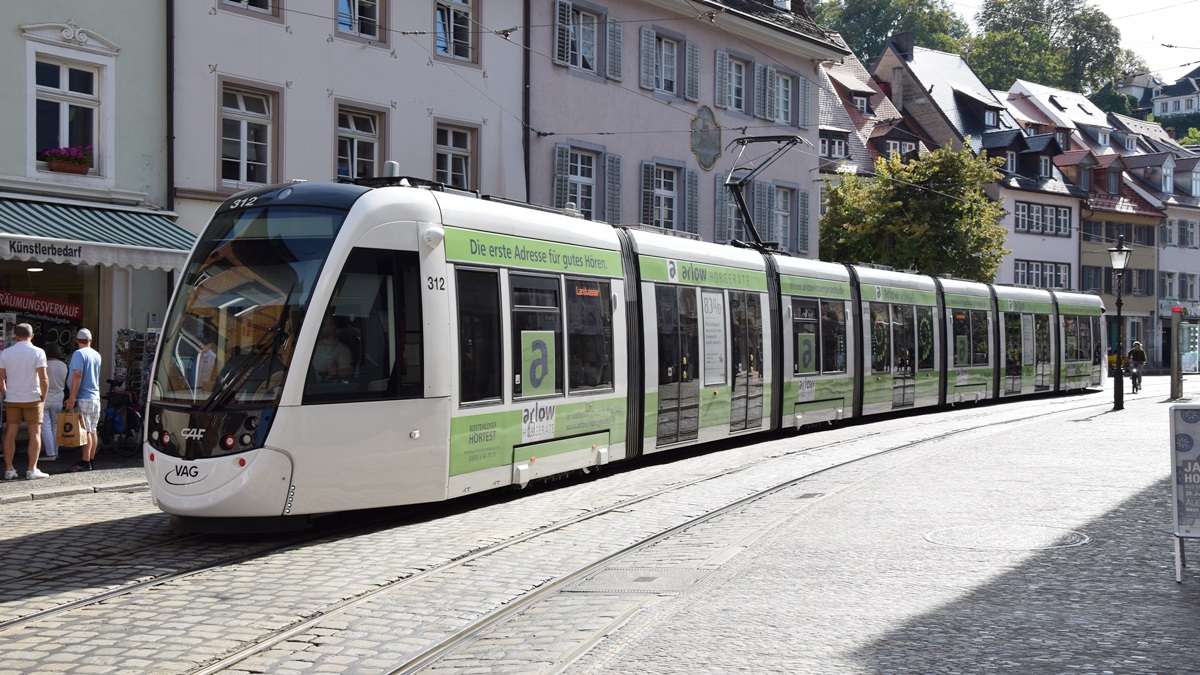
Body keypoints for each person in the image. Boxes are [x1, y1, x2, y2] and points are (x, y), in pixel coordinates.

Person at [0, 323, 49, 480]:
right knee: (35, 432)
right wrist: (44, 397)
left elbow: (1, 378)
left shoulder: (6, 353)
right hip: (33, 397)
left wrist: (6, 393)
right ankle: (32, 469)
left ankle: (9, 469)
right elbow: (44, 378)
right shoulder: (38, 352)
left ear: (16, 335)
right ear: (32, 335)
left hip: (13, 397)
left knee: (10, 432)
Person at [64, 328, 101, 472]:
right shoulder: (97, 355)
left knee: (85, 431)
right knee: (93, 430)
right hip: (95, 396)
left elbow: (77, 375)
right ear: (90, 340)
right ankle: (91, 460)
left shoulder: (78, 354)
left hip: (83, 396)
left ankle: (85, 461)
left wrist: (71, 397)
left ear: (77, 341)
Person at [39, 342, 69, 462]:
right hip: (58, 399)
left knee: (45, 426)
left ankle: (50, 453)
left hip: (45, 398)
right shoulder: (63, 365)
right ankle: (56, 452)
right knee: (55, 425)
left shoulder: (44, 364)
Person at [311, 315, 352, 382]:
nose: (320, 327)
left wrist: (337, 371)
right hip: (308, 385)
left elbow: (347, 372)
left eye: (323, 325)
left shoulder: (343, 350)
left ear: (332, 328)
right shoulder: (313, 346)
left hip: (326, 388)